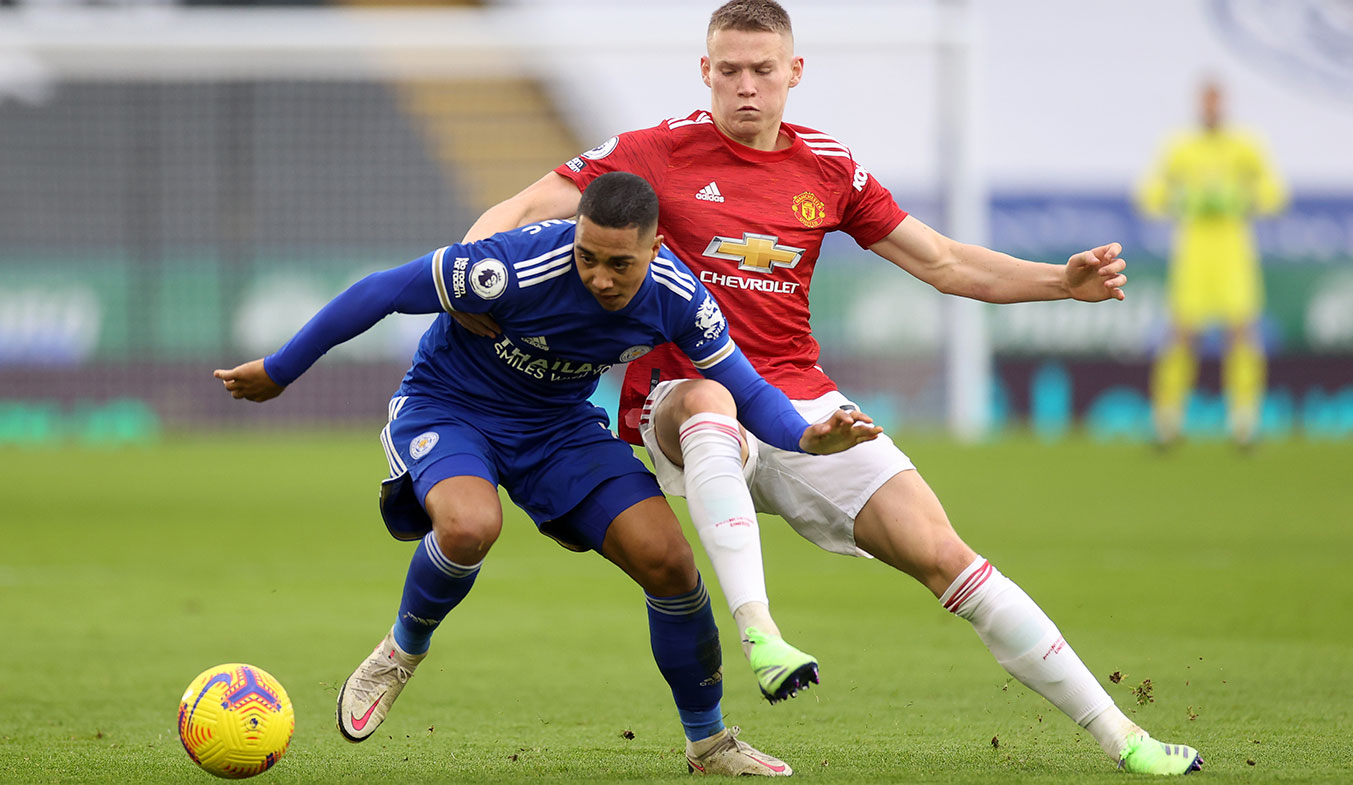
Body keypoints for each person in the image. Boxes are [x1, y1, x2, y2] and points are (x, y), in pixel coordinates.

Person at [447, 0, 1202, 775]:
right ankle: (760, 631)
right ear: (705, 72)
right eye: (730, 70)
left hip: (801, 402)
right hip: (681, 394)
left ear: (793, 74)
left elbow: (940, 261)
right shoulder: (657, 152)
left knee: (946, 553)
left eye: (763, 71)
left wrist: (1059, 283)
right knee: (710, 400)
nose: (746, 87)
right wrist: (468, 271)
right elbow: (529, 205)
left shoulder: (828, 168)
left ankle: (1124, 737)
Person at [214, 171, 882, 777]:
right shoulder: (514, 266)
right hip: (452, 406)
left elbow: (749, 388)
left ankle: (709, 745)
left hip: (558, 427)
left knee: (671, 563)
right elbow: (381, 291)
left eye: (619, 263)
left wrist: (804, 434)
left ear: (654, 251)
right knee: (471, 524)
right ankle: (401, 649)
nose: (598, 275)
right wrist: (278, 371)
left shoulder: (679, 298)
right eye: (587, 256)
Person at [1137, 79, 1287, 447]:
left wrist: (1241, 199)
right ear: (1198, 105)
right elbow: (1149, 194)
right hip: (1193, 253)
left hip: (1234, 252)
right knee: (1182, 334)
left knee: (1242, 332)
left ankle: (1244, 422)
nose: (1211, 108)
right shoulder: (1180, 148)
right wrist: (1182, 201)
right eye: (1206, 101)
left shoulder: (1244, 146)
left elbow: (1274, 193)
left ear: (1225, 104)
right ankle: (1167, 421)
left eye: (1216, 101)